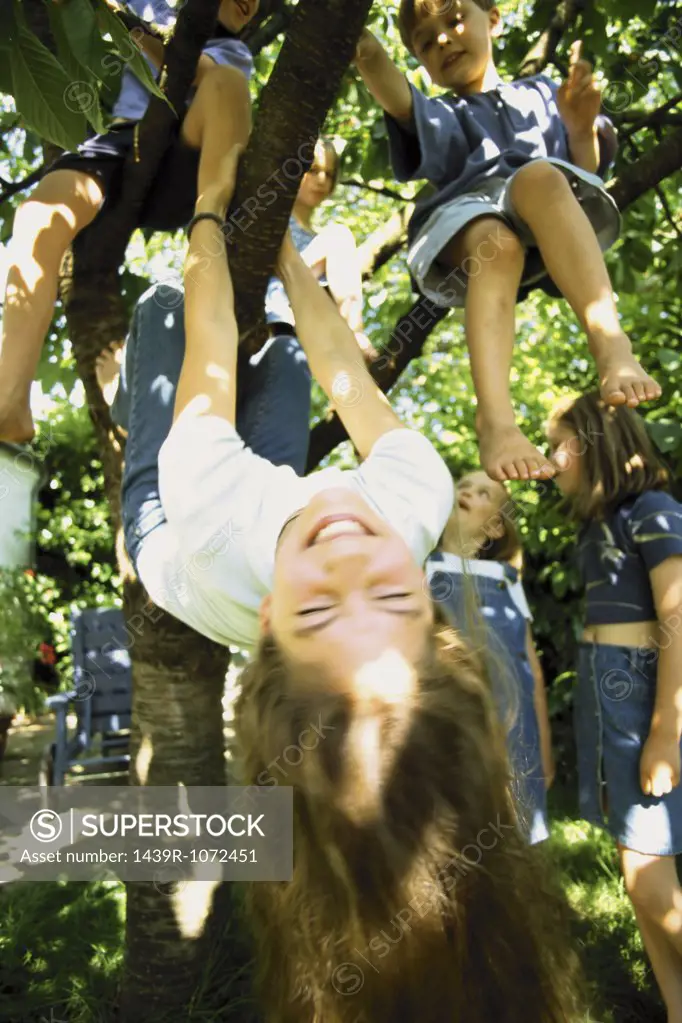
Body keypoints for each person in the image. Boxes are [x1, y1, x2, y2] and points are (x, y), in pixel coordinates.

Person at [116, 144, 454, 662]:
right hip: (261, 507)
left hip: (170, 530)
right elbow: (341, 366)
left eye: (319, 609)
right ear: (426, 598)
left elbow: (209, 329)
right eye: (391, 598)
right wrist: (290, 261)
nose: (346, 564)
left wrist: (209, 201)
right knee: (289, 347)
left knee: (169, 303)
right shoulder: (415, 495)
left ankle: (126, 403)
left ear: (271, 617)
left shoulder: (207, 510)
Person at [353, 0, 661, 484]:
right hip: (465, 218)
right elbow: (389, 85)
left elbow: (587, 167)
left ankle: (610, 342)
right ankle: (496, 421)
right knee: (495, 240)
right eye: (424, 40)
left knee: (540, 175)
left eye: (454, 20)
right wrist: (357, 40)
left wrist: (580, 127)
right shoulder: (440, 113)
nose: (442, 40)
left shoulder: (542, 92)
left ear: (493, 19)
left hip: (543, 205)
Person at [0, 0, 260, 445]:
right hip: (122, 140)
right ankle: (9, 397)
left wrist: (122, 20)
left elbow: (190, 68)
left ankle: (213, 230)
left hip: (186, 158)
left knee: (226, 85)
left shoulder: (234, 51)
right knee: (37, 216)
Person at [547, 392, 682, 1022]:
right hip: (607, 690)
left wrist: (664, 733)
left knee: (650, 876)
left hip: (643, 690)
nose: (552, 458)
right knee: (635, 877)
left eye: (561, 442)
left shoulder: (652, 511)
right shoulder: (597, 524)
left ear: (597, 442)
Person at [427, 469, 554, 844]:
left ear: (496, 526)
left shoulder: (506, 580)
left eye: (483, 493)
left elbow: (531, 670)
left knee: (514, 836)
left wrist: (544, 749)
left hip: (514, 732)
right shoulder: (423, 570)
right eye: (462, 486)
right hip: (452, 725)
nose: (466, 491)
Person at [264, 136, 376, 363]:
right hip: (271, 302)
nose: (322, 179)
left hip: (301, 327)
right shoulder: (274, 217)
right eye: (313, 170)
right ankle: (355, 332)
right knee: (340, 235)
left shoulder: (323, 244)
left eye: (330, 173)